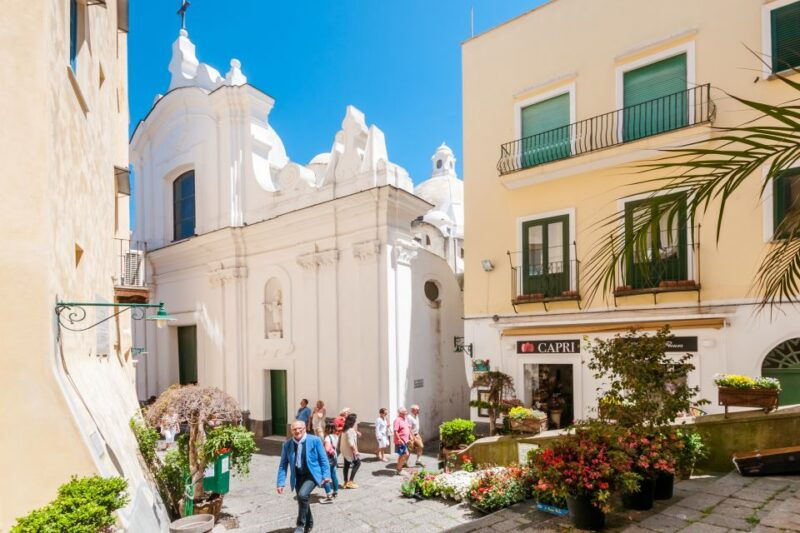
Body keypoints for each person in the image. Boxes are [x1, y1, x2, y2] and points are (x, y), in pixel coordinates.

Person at [276, 420, 331, 533]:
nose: (297, 431)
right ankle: (309, 523)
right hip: (297, 477)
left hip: (312, 475)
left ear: (304, 428)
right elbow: (283, 465)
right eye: (294, 429)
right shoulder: (287, 445)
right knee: (303, 499)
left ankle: (300, 525)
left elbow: (323, 459)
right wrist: (280, 483)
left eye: (299, 428)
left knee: (302, 495)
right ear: (291, 431)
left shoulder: (315, 440)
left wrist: (326, 475)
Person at [339, 413, 361, 488]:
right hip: (350, 451)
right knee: (358, 463)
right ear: (353, 422)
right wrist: (356, 452)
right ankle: (350, 481)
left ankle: (345, 481)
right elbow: (351, 444)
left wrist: (356, 432)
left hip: (344, 450)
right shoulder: (350, 430)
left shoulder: (345, 428)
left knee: (346, 465)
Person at [321, 421, 339, 502]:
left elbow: (327, 449)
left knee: (325, 476)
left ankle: (329, 494)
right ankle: (335, 492)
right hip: (334, 458)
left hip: (327, 459)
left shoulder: (327, 437)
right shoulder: (336, 436)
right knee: (333, 475)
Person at [393, 407, 411, 475]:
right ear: (401, 413)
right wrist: (399, 439)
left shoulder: (405, 419)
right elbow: (395, 431)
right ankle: (399, 470)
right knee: (406, 454)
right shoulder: (397, 420)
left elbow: (407, 428)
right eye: (405, 412)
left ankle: (398, 468)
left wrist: (410, 436)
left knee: (402, 455)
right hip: (400, 441)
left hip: (405, 440)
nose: (406, 413)